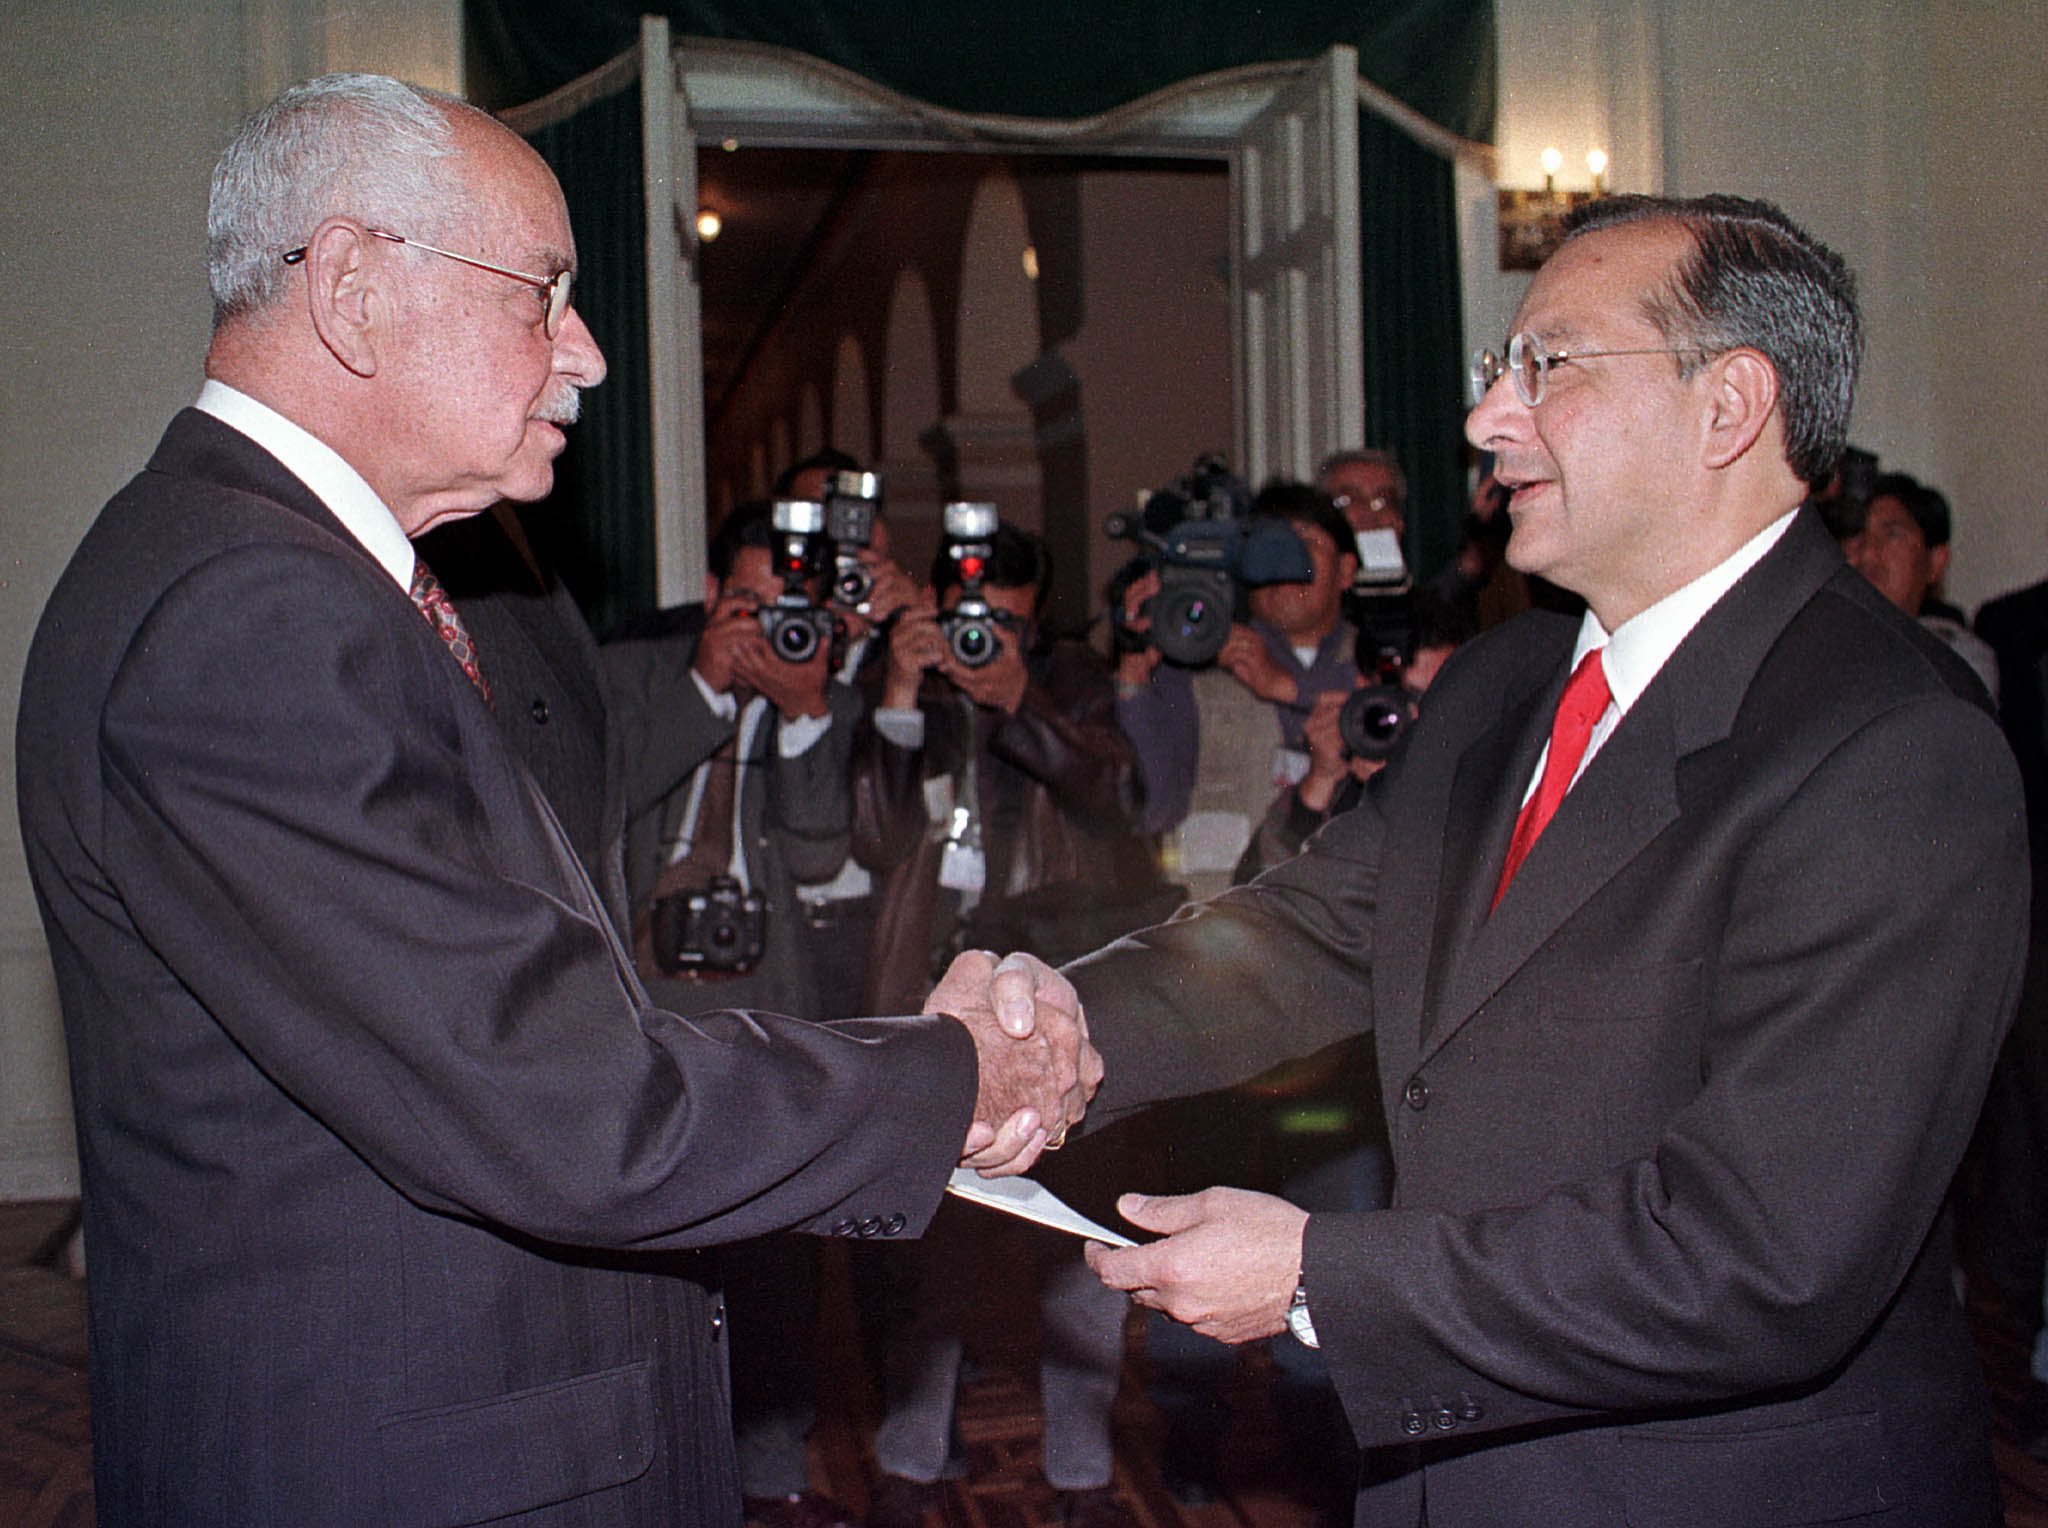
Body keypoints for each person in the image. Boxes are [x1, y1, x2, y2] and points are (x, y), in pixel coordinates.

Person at [14, 73, 1093, 1527]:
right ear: (353, 289)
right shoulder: (248, 611)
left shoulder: (274, 574)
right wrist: (954, 1077)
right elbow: (574, 1111)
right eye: (543, 292)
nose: (581, 351)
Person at [1019, 194, 2026, 1525]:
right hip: (1453, 1464)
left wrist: (1325, 1277)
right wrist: (1061, 1028)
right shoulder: (1506, 677)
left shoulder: (1889, 746)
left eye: (1547, 367)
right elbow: (1314, 931)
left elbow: (1764, 1259)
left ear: (1728, 407)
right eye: (1502, 372)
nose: (1490, 423)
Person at [1840, 469, 2000, 701]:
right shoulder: (1815, 639)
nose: (1867, 551)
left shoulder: (1959, 658)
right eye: (1858, 535)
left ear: (1935, 561)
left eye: (1891, 534)